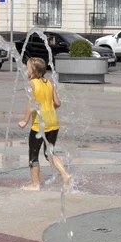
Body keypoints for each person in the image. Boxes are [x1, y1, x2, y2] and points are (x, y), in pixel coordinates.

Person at [18, 57, 71, 191]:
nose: (26, 70)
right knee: (50, 153)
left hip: (39, 124)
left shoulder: (32, 83)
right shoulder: (49, 83)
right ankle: (65, 175)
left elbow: (31, 103)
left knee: (33, 154)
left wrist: (25, 120)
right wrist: (49, 110)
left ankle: (35, 184)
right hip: (53, 122)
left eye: (28, 68)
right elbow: (58, 103)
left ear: (34, 71)